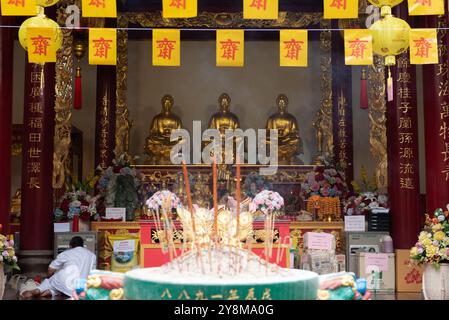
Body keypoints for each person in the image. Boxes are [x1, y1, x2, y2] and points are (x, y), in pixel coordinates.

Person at [20, 236, 96, 299]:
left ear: (70, 246)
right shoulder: (92, 256)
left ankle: (38, 290)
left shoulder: (66, 253)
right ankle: (50, 292)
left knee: (51, 282)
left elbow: (50, 269)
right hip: (79, 287)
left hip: (64, 281)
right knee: (64, 288)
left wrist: (50, 278)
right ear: (82, 245)